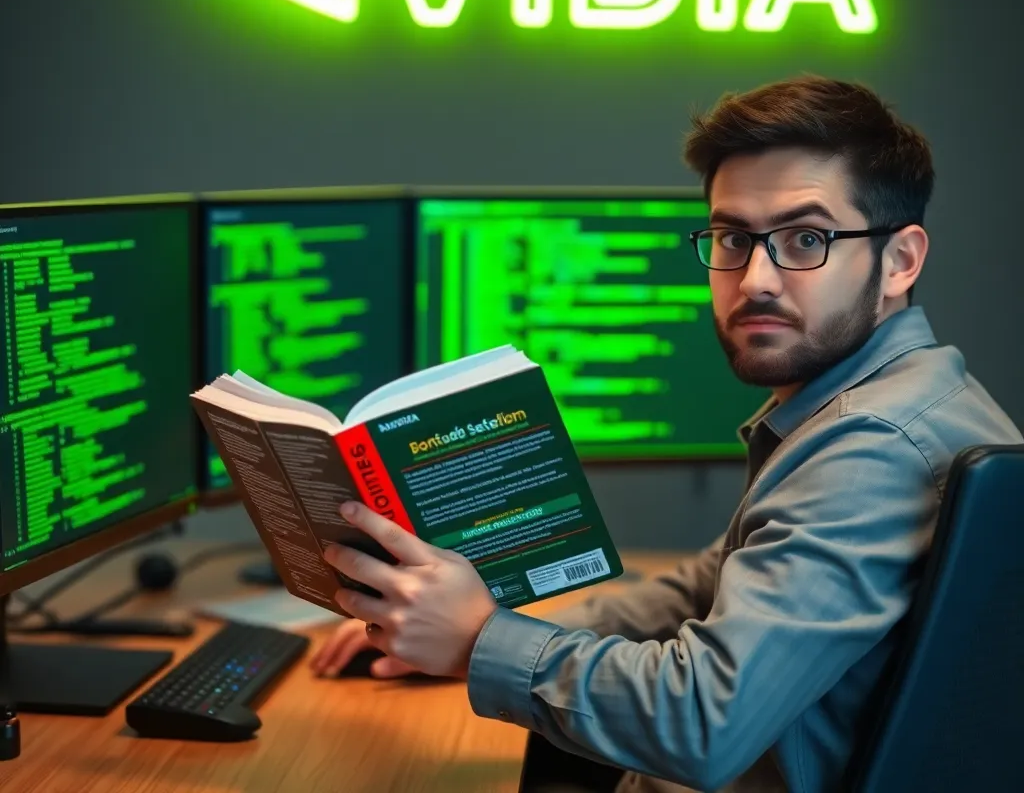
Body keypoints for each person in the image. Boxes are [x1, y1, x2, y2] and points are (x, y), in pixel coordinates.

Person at [309, 77, 1022, 792]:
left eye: (806, 239)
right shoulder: (892, 402)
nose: (756, 279)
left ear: (900, 260)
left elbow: (702, 721)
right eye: (733, 238)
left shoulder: (872, 447)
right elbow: (699, 588)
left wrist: (477, 641)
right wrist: (465, 625)